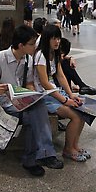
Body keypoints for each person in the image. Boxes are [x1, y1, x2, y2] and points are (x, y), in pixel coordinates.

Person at [0, 25, 64, 177]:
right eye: (32, 44)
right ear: (21, 45)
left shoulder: (28, 59)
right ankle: (40, 156)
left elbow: (29, 83)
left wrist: (31, 93)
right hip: (4, 103)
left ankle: (37, 156)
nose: (35, 47)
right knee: (34, 117)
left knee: (37, 106)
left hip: (21, 100)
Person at [33, 24, 89, 162]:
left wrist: (71, 95)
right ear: (46, 39)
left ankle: (75, 146)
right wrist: (65, 100)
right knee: (75, 116)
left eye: (58, 38)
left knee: (83, 111)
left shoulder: (55, 54)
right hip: (44, 97)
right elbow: (45, 83)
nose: (57, 42)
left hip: (55, 93)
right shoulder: (41, 56)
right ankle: (68, 149)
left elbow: (61, 76)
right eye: (53, 39)